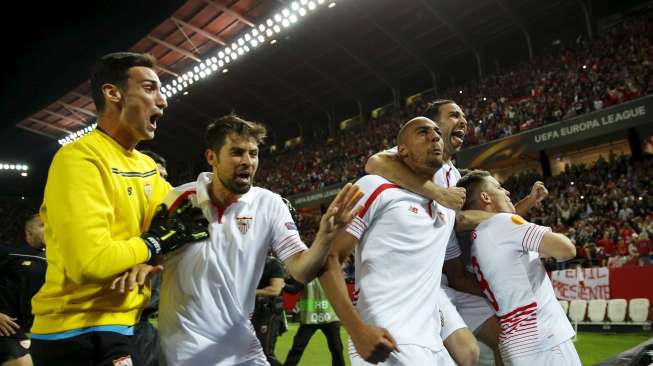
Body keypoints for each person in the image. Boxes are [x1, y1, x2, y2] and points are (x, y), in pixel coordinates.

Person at [30, 52, 206, 365]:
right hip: (78, 331)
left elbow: (192, 222)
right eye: (150, 89)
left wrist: (150, 255)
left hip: (128, 325)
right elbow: (90, 262)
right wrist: (154, 243)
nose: (163, 101)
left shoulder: (148, 166)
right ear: (113, 94)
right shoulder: (80, 159)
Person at [157, 114, 363, 365]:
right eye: (237, 153)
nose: (247, 162)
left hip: (243, 348)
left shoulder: (269, 204)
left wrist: (324, 237)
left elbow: (301, 270)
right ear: (211, 157)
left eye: (253, 154)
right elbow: (149, 258)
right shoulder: (176, 200)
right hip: (185, 351)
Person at [365, 100, 548, 366]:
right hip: (415, 282)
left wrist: (520, 209)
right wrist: (438, 193)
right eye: (453, 115)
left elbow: (470, 222)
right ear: (432, 127)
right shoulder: (414, 160)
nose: (463, 121)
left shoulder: (453, 174)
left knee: (504, 335)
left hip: (448, 279)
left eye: (464, 116)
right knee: (467, 352)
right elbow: (375, 162)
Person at [320, 117, 457, 365]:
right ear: (401, 150)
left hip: (434, 344)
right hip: (387, 339)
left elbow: (474, 219)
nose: (435, 137)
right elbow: (328, 258)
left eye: (437, 132)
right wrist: (357, 331)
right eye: (422, 133)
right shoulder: (375, 187)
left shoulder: (445, 206)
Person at [457, 170, 580, 365]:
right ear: (485, 197)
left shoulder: (477, 239)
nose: (506, 191)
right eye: (498, 187)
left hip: (515, 344)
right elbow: (566, 250)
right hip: (544, 339)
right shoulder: (503, 224)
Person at [0, 215, 46, 366]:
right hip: (9, 330)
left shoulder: (57, 258)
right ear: (29, 230)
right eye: (43, 225)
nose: (49, 229)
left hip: (42, 332)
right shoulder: (10, 252)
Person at [283, 278, 345, 366]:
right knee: (337, 350)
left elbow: (294, 289)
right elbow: (294, 289)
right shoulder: (327, 271)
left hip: (313, 318)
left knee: (297, 348)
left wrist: (281, 284)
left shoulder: (306, 273)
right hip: (327, 317)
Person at [252, 255, 286, 366]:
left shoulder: (272, 263)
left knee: (265, 354)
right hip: (249, 313)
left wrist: (250, 292)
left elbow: (275, 290)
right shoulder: (244, 261)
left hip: (267, 313)